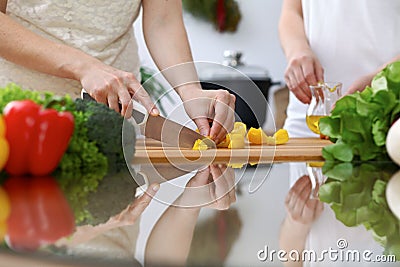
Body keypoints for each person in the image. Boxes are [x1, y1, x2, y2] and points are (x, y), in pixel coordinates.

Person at [0, 0, 235, 143]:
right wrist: (83, 66)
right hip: (21, 118)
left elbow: (163, 20)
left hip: (117, 119)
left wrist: (189, 89)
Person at [279, 0, 400, 137]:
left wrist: (381, 78)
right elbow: (292, 11)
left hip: (385, 122)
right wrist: (297, 50)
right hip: (308, 122)